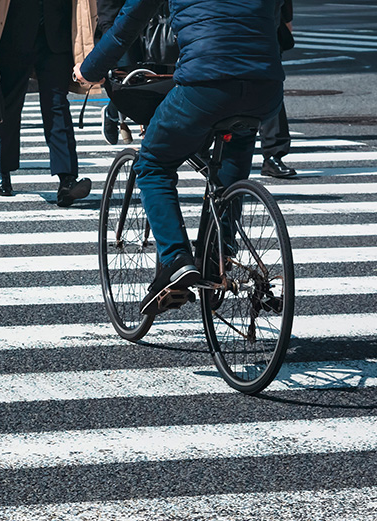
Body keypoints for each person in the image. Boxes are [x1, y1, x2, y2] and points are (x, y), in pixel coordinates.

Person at [74, 0, 285, 314]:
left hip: (206, 82)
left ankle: (175, 259)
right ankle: (219, 253)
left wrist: (88, 69)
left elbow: (127, 25)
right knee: (233, 158)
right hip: (266, 87)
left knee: (153, 164)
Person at [0, 0, 96, 206]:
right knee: (8, 103)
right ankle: (3, 169)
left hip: (57, 30)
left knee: (57, 105)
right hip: (13, 29)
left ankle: (67, 179)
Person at [259, 0, 295, 178]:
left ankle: (273, 155)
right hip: (221, 35)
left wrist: (287, 19)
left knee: (270, 90)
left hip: (266, 33)